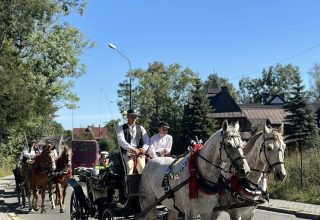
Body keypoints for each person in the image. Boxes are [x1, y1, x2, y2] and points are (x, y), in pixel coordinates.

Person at [116, 108, 150, 175]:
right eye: (132, 116)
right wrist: (132, 149)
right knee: (129, 167)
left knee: (142, 168)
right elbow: (121, 141)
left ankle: (140, 184)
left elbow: (147, 141)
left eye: (135, 116)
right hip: (127, 152)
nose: (134, 118)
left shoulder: (141, 128)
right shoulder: (121, 128)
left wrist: (143, 149)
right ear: (127, 116)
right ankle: (129, 184)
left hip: (139, 152)